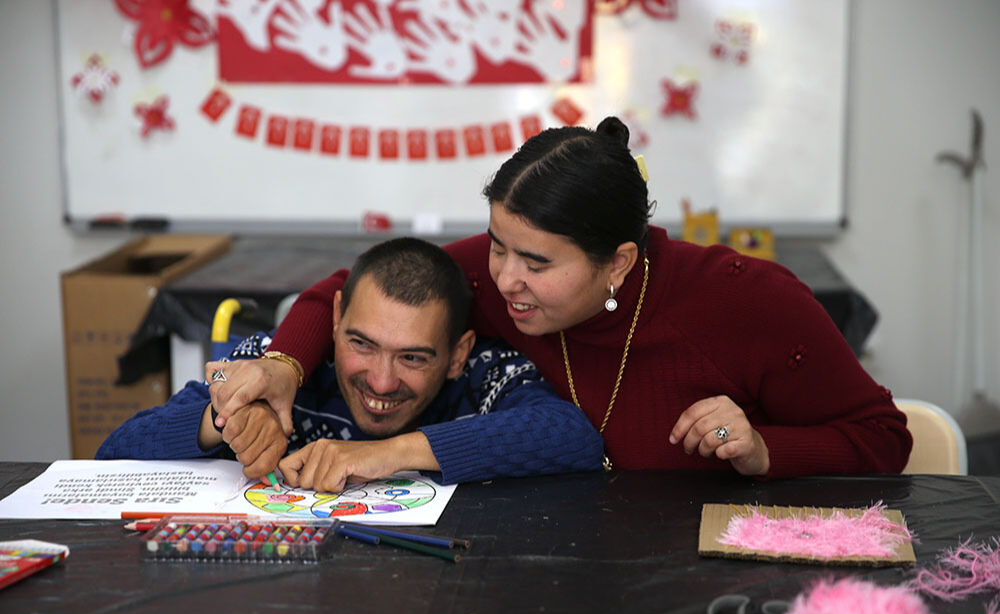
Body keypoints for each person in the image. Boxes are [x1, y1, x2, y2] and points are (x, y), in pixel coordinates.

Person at [208, 117, 912, 479]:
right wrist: (285, 367)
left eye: (537, 263)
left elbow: (883, 439)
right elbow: (345, 290)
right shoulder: (492, 277)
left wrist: (762, 449)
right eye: (497, 244)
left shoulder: (749, 303)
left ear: (620, 263)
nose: (504, 278)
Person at [96, 237, 604, 491]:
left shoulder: (485, 374)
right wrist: (223, 420)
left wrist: (383, 454)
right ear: (335, 321)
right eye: (361, 344)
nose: (381, 380)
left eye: (412, 357)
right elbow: (112, 454)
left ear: (458, 354)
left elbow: (574, 436)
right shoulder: (276, 370)